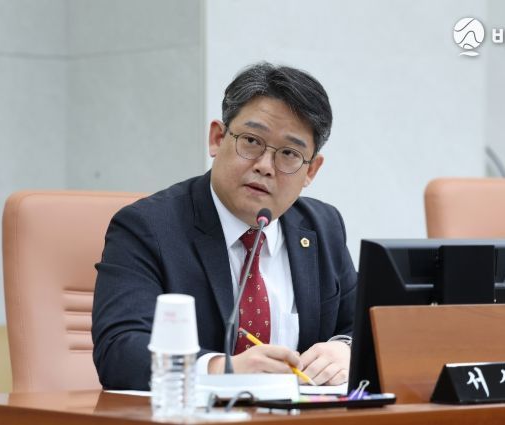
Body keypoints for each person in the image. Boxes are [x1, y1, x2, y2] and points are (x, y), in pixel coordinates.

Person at [92, 62, 357, 390]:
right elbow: (119, 350)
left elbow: (366, 324)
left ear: (311, 171)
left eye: (289, 153)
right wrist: (222, 369)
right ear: (217, 138)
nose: (265, 166)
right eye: (251, 141)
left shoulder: (321, 227)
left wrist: (346, 349)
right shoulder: (148, 228)